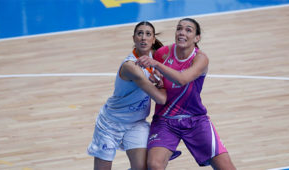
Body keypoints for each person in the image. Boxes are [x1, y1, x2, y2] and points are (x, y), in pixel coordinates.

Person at [136, 18, 236, 170]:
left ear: (197, 38)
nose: (182, 32)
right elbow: (157, 78)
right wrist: (156, 79)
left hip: (195, 120)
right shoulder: (163, 54)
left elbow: (182, 79)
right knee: (154, 165)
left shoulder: (200, 59)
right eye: (179, 29)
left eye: (188, 30)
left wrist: (157, 65)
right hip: (165, 120)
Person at [87, 21, 166, 170]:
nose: (143, 37)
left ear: (153, 39)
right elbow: (160, 98)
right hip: (110, 124)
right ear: (134, 38)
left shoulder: (155, 59)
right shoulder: (131, 67)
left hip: (136, 123)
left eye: (148, 34)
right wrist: (162, 84)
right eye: (140, 33)